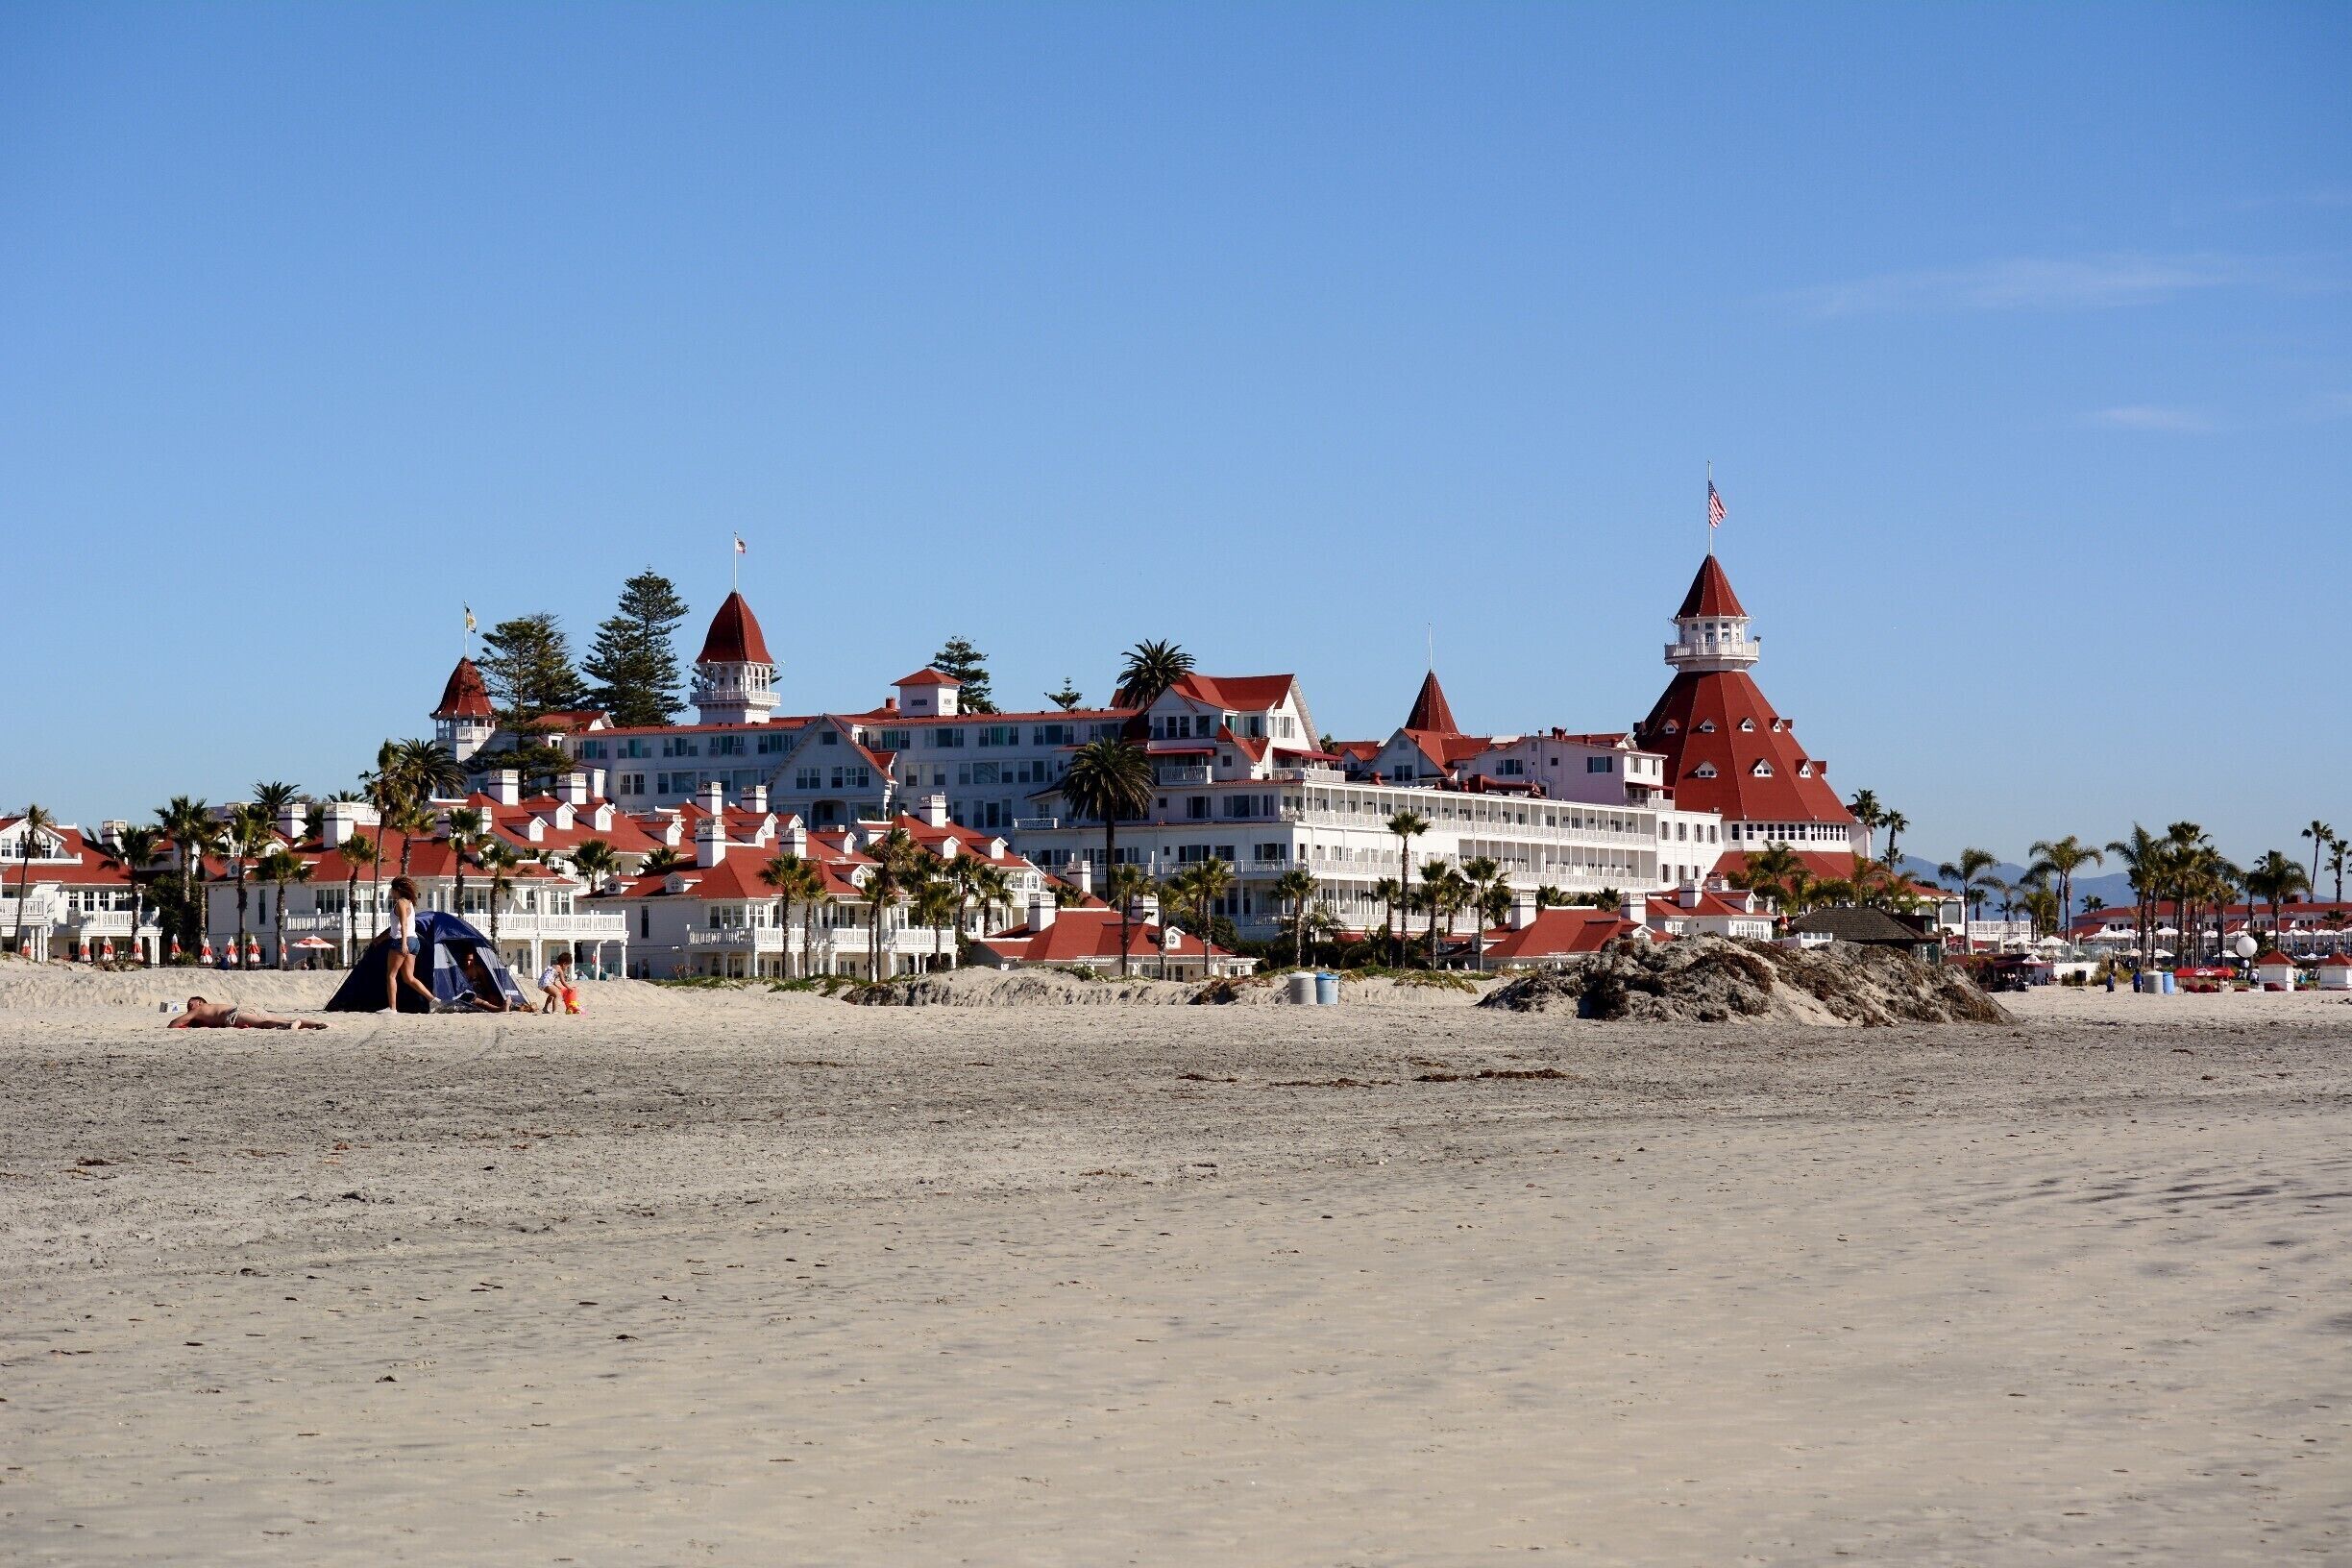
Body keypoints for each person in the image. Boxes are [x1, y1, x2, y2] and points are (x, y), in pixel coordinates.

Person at [380, 875, 442, 1013]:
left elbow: (403, 923)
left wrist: (403, 943)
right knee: (408, 977)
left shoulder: (401, 903)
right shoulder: (409, 903)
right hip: (414, 941)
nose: (391, 892)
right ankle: (433, 999)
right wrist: (379, 939)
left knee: (391, 975)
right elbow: (395, 927)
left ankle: (392, 1008)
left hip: (402, 941)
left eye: (392, 889)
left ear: (397, 890)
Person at [169, 995, 327, 1030]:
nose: (189, 1007)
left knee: (262, 1024)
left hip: (235, 1014)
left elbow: (173, 1024)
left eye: (191, 1004)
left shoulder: (199, 1009)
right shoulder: (209, 1008)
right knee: (272, 1017)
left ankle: (289, 1025)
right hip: (247, 1006)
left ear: (200, 1002)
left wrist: (188, 1022)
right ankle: (317, 1024)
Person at [456, 948, 512, 1012]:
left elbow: (485, 982)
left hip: (480, 991)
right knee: (483, 1002)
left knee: (494, 999)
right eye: (467, 960)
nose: (468, 962)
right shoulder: (461, 971)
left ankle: (505, 1006)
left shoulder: (478, 969)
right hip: (471, 993)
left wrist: (490, 993)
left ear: (474, 960)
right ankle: (500, 1009)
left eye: (471, 960)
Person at [538, 950, 579, 1014]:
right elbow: (563, 982)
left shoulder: (553, 967)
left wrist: (557, 986)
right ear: (564, 964)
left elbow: (553, 981)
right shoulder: (559, 970)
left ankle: (545, 1008)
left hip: (541, 982)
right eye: (567, 967)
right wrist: (570, 988)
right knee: (557, 994)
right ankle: (555, 1010)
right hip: (547, 983)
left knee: (552, 995)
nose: (567, 968)